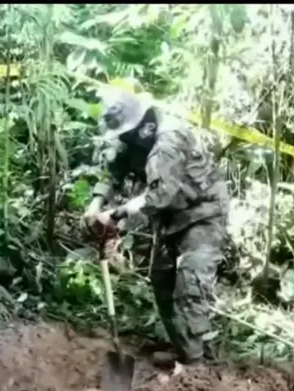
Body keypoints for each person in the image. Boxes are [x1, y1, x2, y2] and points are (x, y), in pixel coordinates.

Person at [82, 89, 229, 370]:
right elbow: (113, 172)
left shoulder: (168, 141)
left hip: (203, 214)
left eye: (126, 134)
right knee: (161, 278)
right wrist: (95, 205)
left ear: (144, 127)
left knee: (191, 284)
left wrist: (115, 215)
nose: (122, 140)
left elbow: (159, 195)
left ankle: (195, 367)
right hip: (169, 218)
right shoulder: (132, 139)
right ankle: (182, 350)